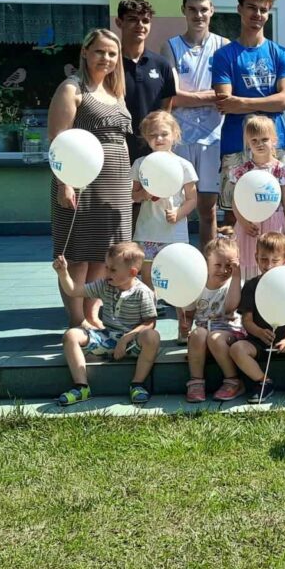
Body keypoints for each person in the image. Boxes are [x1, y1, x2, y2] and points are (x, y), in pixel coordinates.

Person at [48, 28, 134, 327]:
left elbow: (121, 139)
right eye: (99, 51)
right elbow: (57, 139)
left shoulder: (115, 91)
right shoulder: (72, 89)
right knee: (77, 256)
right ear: (85, 52)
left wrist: (130, 181)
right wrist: (64, 183)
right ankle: (76, 319)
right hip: (81, 183)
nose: (106, 58)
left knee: (104, 255)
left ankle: (92, 314)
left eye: (112, 53)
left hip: (116, 185)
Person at [211, 0, 285, 222]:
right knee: (234, 213)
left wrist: (242, 102)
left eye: (263, 10)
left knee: (275, 210)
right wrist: (267, 103)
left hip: (274, 142)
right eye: (251, 7)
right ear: (239, 9)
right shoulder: (224, 55)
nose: (257, 14)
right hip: (236, 142)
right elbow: (226, 102)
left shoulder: (281, 54)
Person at [162, 0, 229, 248]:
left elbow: (226, 95)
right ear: (184, 11)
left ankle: (206, 264)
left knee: (208, 209)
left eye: (203, 9)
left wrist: (193, 96)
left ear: (212, 11)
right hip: (180, 137)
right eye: (192, 9)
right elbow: (173, 97)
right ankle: (176, 260)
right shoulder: (170, 46)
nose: (198, 15)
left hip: (213, 138)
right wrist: (211, 96)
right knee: (175, 206)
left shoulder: (223, 46)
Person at [53, 243, 160, 406]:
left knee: (152, 337)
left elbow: (150, 322)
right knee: (71, 335)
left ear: (132, 272)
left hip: (132, 342)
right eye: (106, 267)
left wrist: (126, 339)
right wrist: (63, 273)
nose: (107, 272)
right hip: (107, 337)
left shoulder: (143, 292)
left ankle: (137, 384)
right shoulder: (104, 285)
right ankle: (81, 387)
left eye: (113, 270)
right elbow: (74, 290)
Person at [130, 110, 198, 342]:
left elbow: (192, 198)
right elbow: (133, 195)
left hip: (174, 234)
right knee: (148, 284)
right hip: (148, 232)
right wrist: (145, 193)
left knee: (178, 281)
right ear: (145, 138)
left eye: (164, 134)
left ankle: (183, 326)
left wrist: (179, 213)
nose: (158, 139)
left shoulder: (183, 165)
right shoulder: (140, 164)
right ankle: (149, 330)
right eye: (152, 135)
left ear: (175, 135)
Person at [230, 233, 285, 404]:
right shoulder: (251, 285)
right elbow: (247, 320)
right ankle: (263, 382)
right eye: (263, 259)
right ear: (256, 257)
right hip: (259, 342)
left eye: (274, 260)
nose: (268, 265)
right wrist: (259, 332)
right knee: (236, 349)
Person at [227, 116, 285, 281]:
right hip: (249, 226)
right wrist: (243, 222)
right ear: (247, 142)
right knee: (250, 265)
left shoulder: (281, 170)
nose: (259, 144)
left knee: (274, 263)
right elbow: (236, 201)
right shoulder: (243, 171)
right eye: (254, 140)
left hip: (275, 224)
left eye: (264, 139)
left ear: (274, 140)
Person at [181, 237, 245, 403]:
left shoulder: (236, 284)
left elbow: (230, 307)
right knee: (197, 334)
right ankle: (196, 382)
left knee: (214, 338)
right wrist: (185, 324)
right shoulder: (197, 285)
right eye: (218, 265)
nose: (224, 270)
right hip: (204, 339)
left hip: (229, 336)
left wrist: (236, 276)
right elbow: (189, 314)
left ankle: (233, 381)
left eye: (229, 265)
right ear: (206, 263)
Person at [115, 0, 176, 163]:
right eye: (133, 19)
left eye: (145, 20)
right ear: (119, 22)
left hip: (152, 153)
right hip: (117, 150)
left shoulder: (162, 64)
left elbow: (165, 112)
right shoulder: (111, 64)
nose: (140, 25)